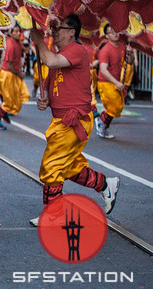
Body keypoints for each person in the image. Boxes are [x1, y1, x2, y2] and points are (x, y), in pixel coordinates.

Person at [29, 15, 119, 226]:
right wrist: (44, 101)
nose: (54, 31)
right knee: (67, 167)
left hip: (73, 121)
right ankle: (106, 184)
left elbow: (49, 61)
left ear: (72, 32)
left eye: (58, 28)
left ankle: (53, 215)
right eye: (53, 28)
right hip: (61, 121)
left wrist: (39, 40)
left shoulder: (76, 50)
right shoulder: (61, 54)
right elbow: (52, 93)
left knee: (51, 167)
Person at [0, 24, 30, 130]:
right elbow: (9, 65)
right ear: (11, 33)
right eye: (15, 31)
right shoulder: (10, 45)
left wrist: (26, 50)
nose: (18, 33)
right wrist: (20, 73)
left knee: (14, 97)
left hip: (12, 74)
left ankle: (3, 113)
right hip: (8, 74)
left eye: (19, 31)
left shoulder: (17, 42)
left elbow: (23, 48)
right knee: (9, 101)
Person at [94, 24, 127, 139]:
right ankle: (100, 121)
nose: (115, 34)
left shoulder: (123, 46)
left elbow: (128, 61)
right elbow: (103, 70)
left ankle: (103, 124)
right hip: (105, 82)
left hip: (116, 81)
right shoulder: (105, 50)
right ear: (107, 36)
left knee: (117, 107)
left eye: (116, 31)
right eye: (112, 32)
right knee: (115, 107)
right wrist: (116, 82)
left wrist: (131, 56)